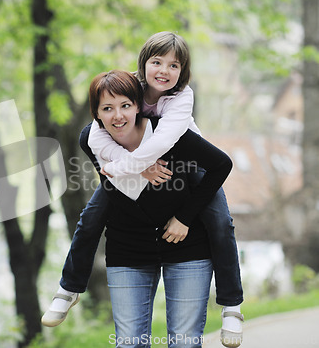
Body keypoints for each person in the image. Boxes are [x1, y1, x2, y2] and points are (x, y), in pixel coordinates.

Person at [42, 32, 243, 347]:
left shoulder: (181, 96)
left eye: (173, 65)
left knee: (220, 221)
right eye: (156, 62)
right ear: (143, 64)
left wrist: (130, 167)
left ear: (183, 71)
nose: (164, 71)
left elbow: (165, 141)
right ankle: (68, 288)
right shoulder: (128, 88)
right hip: (135, 168)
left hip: (189, 165)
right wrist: (134, 166)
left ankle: (232, 305)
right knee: (92, 216)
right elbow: (91, 135)